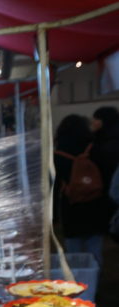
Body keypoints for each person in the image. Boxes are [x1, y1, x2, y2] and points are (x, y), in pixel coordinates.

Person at [53, 113, 107, 265]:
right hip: (95, 201)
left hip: (71, 204)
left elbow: (54, 185)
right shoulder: (94, 149)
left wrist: (54, 215)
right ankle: (95, 275)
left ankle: (76, 278)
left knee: (73, 246)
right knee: (94, 245)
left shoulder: (58, 154)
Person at [91, 105, 119, 190]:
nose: (93, 122)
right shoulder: (105, 137)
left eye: (96, 119)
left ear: (105, 120)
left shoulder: (110, 140)